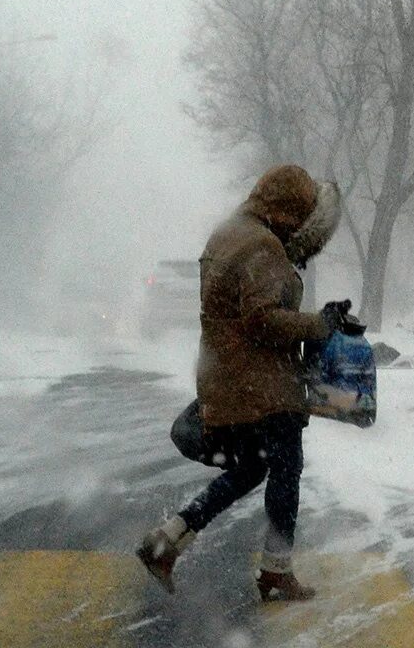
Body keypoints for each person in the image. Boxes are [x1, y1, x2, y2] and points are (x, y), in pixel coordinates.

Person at [137, 164, 343, 603]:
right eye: (302, 212)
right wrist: (318, 324)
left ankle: (168, 539)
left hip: (232, 379)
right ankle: (276, 571)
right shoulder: (261, 246)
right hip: (264, 387)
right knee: (285, 471)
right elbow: (261, 318)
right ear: (289, 208)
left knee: (252, 466)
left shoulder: (230, 233)